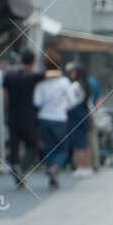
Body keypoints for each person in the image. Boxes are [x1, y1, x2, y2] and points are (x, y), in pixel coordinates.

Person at [33, 59, 78, 189]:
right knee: (63, 148)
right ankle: (55, 168)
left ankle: (52, 179)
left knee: (50, 149)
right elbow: (73, 100)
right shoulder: (64, 82)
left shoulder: (41, 82)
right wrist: (63, 108)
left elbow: (37, 102)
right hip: (59, 118)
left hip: (43, 118)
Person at [1, 49, 42, 189]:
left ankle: (16, 171)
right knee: (34, 145)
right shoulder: (33, 76)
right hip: (28, 116)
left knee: (14, 146)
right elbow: (52, 74)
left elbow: (5, 97)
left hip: (12, 115)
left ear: (20, 60)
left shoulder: (9, 75)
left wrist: (7, 112)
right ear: (33, 62)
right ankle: (22, 168)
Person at [65, 65, 92, 177]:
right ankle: (87, 167)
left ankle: (80, 167)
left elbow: (70, 102)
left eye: (73, 72)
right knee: (85, 142)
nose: (72, 74)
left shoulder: (75, 86)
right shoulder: (87, 85)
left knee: (78, 143)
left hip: (76, 115)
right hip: (85, 114)